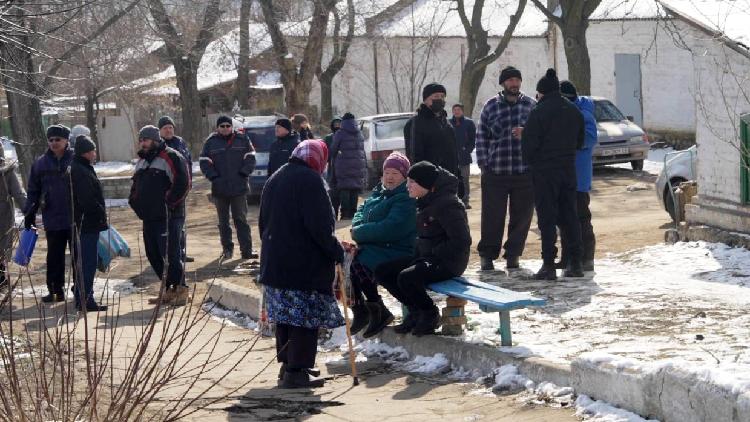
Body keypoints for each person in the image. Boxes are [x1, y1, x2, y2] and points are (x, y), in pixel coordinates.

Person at [258, 139, 344, 389]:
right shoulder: (311, 180)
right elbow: (320, 226)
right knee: (304, 317)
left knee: (286, 317)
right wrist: (336, 251)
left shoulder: (276, 177)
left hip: (276, 261)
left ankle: (288, 365)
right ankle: (297, 370)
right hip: (302, 264)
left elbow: (263, 222)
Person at [375, 161, 471, 337]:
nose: (407, 186)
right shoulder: (425, 200)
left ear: (427, 185)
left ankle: (429, 313)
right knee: (383, 271)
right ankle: (415, 311)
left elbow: (462, 240)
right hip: (428, 257)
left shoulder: (448, 204)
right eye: (408, 181)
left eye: (412, 182)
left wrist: (433, 254)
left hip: (448, 262)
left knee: (406, 278)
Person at [521, 69, 585, 280]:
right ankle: (575, 263)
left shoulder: (538, 112)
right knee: (570, 216)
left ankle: (548, 264)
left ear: (541, 92)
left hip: (544, 173)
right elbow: (580, 142)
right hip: (568, 169)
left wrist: (534, 162)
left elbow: (528, 146)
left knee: (547, 219)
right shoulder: (574, 110)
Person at [346, 152, 415, 338]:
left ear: (404, 176)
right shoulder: (378, 193)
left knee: (360, 259)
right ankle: (361, 310)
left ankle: (378, 309)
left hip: (397, 249)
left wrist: (359, 232)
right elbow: (359, 214)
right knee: (347, 260)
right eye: (387, 172)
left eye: (395, 173)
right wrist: (359, 228)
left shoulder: (405, 197)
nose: (390, 177)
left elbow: (390, 228)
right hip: (378, 247)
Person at [475, 66, 537, 271]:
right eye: (510, 80)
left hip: (524, 171)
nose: (514, 84)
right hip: (496, 172)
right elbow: (481, 136)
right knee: (492, 217)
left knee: (522, 217)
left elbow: (542, 133)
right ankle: (487, 255)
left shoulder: (531, 105)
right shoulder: (490, 106)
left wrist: (527, 133)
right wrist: (484, 164)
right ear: (503, 84)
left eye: (517, 80)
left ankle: (513, 255)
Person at [129, 125, 190, 304]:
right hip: (149, 217)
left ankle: (181, 289)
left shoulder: (171, 156)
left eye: (145, 140)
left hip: (169, 216)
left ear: (155, 140)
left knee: (170, 254)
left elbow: (183, 183)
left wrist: (168, 203)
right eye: (140, 140)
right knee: (153, 254)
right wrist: (135, 204)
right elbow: (135, 188)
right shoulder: (142, 161)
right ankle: (169, 289)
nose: (142, 143)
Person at [24, 124, 74, 303]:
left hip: (75, 217)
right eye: (51, 140)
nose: (54, 143)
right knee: (54, 256)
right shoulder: (40, 164)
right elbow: (33, 190)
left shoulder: (75, 160)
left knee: (78, 256)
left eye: (58, 139)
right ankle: (55, 290)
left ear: (66, 140)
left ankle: (80, 289)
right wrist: (29, 212)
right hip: (52, 216)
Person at [199, 116, 257, 260]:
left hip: (239, 188)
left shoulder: (243, 140)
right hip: (220, 189)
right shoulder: (210, 142)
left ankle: (247, 251)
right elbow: (204, 162)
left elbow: (251, 157)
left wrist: (244, 173)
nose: (225, 128)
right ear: (217, 128)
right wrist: (214, 177)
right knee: (223, 222)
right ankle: (227, 250)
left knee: (241, 220)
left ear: (232, 127)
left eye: (227, 126)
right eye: (222, 126)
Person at [558, 81, 597, 272]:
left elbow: (590, 138)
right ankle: (568, 257)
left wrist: (566, 143)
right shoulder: (564, 111)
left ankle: (587, 257)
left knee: (581, 218)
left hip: (579, 177)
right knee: (565, 220)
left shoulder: (584, 113)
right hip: (564, 175)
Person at [69, 135, 108, 312]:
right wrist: (99, 211)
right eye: (93, 150)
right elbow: (87, 200)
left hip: (85, 223)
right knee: (87, 263)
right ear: (87, 152)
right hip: (86, 224)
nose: (95, 153)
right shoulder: (80, 171)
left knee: (85, 262)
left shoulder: (81, 167)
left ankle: (82, 296)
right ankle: (85, 299)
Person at [403, 83, 462, 198]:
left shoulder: (447, 123)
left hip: (449, 181)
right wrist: (422, 183)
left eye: (442, 96)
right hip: (429, 183)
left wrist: (458, 178)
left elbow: (454, 154)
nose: (439, 99)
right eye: (435, 96)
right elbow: (414, 156)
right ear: (426, 99)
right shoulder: (415, 123)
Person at [158, 116, 195, 264]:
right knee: (168, 224)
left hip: (182, 190)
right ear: (160, 131)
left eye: (170, 127)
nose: (168, 130)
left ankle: (181, 252)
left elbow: (189, 163)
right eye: (165, 128)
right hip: (166, 192)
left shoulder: (180, 142)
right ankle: (169, 254)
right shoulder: (159, 145)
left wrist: (189, 181)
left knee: (180, 223)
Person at [329, 112, 366, 220]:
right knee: (354, 188)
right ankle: (353, 213)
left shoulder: (340, 133)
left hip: (343, 164)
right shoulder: (359, 132)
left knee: (345, 187)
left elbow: (333, 149)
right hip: (358, 163)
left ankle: (345, 213)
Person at [0, 141, 25, 290]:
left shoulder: (7, 172)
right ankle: (2, 281)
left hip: (4, 215)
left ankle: (2, 280)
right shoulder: (7, 172)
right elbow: (19, 195)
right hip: (3, 217)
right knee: (1, 250)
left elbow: (19, 195)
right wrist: (29, 211)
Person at [450, 103, 476, 208]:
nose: (456, 111)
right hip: (451, 157)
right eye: (455, 109)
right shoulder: (448, 123)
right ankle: (454, 200)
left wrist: (467, 150)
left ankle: (465, 201)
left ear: (462, 111)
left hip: (464, 157)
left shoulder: (469, 123)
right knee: (452, 179)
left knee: (464, 179)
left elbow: (473, 139)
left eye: (458, 110)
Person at [324, 116, 342, 217]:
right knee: (333, 192)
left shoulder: (346, 136)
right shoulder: (329, 138)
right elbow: (326, 153)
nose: (337, 126)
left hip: (344, 167)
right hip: (332, 167)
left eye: (339, 123)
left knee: (343, 191)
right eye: (335, 124)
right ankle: (334, 212)